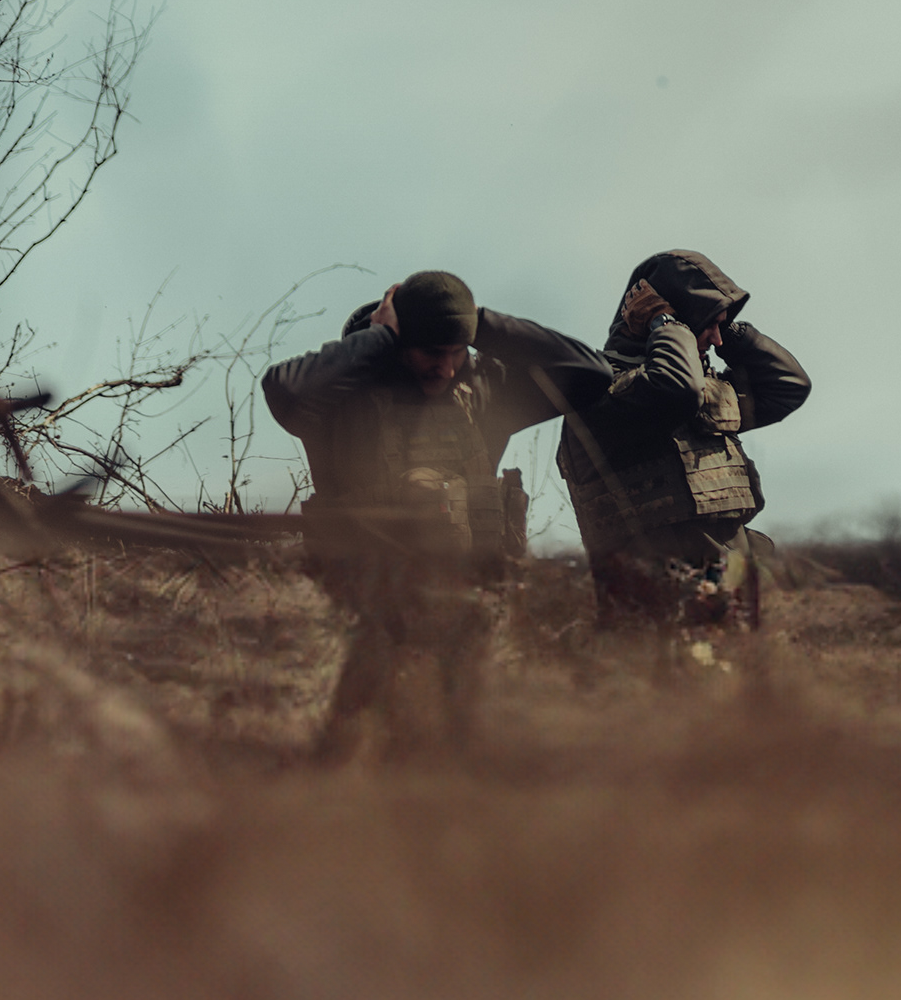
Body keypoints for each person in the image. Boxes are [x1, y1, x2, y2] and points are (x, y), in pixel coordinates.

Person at [260, 270, 605, 755]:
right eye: (430, 352)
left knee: (471, 754)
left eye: (455, 351)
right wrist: (379, 338)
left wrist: (477, 322)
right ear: (399, 340)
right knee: (355, 751)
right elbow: (284, 389)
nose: (444, 368)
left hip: (468, 609)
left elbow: (591, 375)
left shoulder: (483, 391)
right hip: (361, 614)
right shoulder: (341, 397)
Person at [555, 250, 809, 633]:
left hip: (725, 597)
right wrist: (667, 323)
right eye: (709, 324)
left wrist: (726, 330)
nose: (716, 337)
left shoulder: (698, 385)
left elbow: (789, 386)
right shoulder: (602, 387)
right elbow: (676, 390)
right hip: (657, 614)